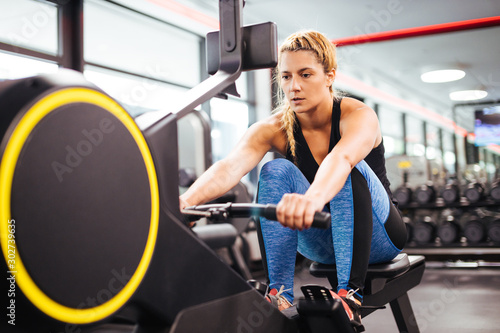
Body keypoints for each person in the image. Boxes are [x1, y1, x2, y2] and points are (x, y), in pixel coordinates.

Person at [180, 30, 407, 329]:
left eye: (306, 74)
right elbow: (229, 167)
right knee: (274, 171)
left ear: (329, 76)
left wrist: (310, 201)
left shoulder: (357, 115)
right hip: (320, 239)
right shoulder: (274, 127)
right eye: (286, 77)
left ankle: (349, 296)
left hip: (378, 235)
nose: (294, 86)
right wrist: (184, 203)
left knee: (346, 170)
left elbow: (341, 160)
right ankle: (279, 294)